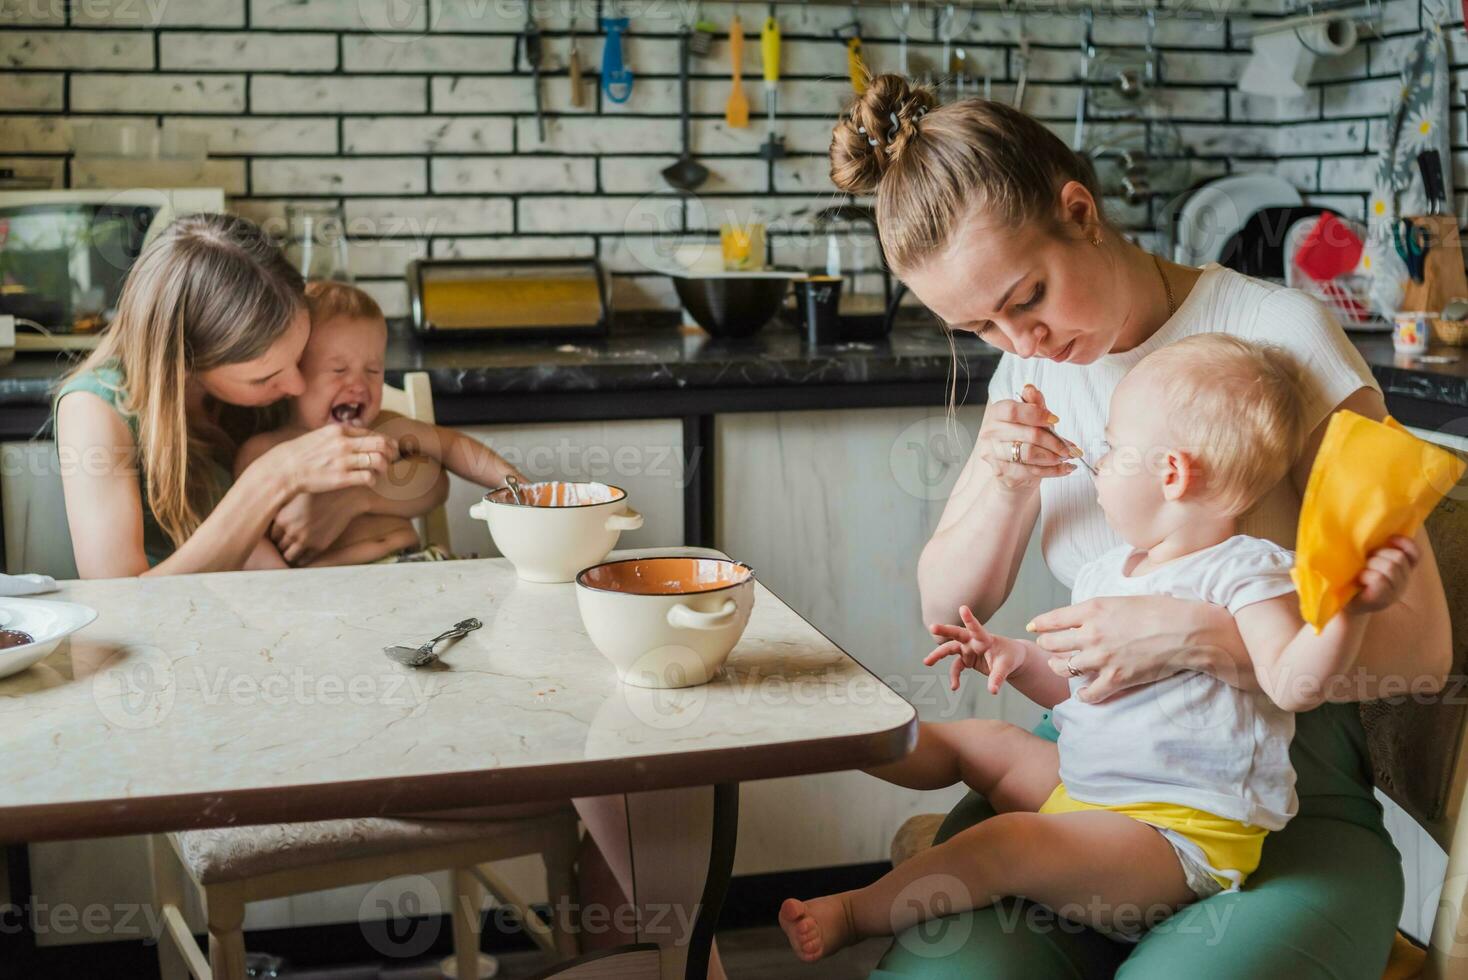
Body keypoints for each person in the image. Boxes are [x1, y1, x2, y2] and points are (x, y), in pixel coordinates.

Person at [828, 76, 1450, 978]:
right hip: (1086, 767)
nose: (1022, 340)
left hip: (1276, 803)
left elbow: (1421, 650)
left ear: (1079, 211)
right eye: (981, 327)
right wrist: (1001, 486)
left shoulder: (1277, 338)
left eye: (1028, 295)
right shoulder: (1029, 371)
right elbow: (948, 606)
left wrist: (1207, 639)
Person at [780, 334, 1422, 961]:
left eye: (1113, 448)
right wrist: (1016, 657)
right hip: (1090, 792)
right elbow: (1079, 687)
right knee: (980, 742)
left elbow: (1291, 683)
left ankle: (856, 912)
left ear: (1171, 474)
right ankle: (849, 737)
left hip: (1173, 838)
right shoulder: (1114, 569)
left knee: (1004, 844)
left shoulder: (1248, 573)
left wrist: (1348, 614)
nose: (1097, 459)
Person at [54, 213, 436, 579]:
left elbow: (433, 473)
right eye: (265, 377)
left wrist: (355, 500)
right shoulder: (95, 410)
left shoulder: (272, 390)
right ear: (187, 359)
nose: (296, 387)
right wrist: (271, 479)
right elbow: (120, 598)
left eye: (299, 359)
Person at [234, 281, 522, 568]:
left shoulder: (384, 427)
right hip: (333, 589)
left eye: (373, 370)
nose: (359, 384)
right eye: (338, 370)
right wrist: (287, 590)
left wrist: (516, 484)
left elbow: (451, 445)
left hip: (418, 563)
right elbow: (249, 543)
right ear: (295, 371)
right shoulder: (265, 452)